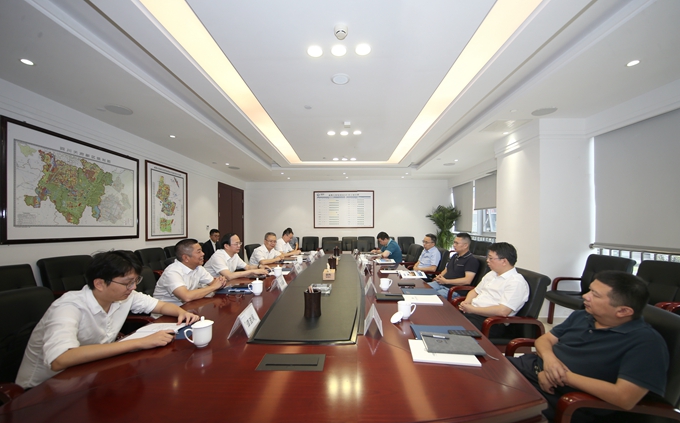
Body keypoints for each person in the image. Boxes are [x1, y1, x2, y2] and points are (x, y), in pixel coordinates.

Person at [15, 250, 200, 389]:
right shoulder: (68, 307)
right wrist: (139, 342)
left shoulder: (124, 296)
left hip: (91, 373)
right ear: (99, 283)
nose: (133, 288)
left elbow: (159, 306)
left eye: (135, 281)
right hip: (44, 389)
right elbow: (60, 359)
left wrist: (180, 312)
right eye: (127, 283)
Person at [508, 271, 669, 422]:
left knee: (496, 407)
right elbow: (544, 340)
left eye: (595, 295)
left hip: (561, 397)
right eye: (590, 290)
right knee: (491, 372)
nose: (585, 296)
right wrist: (550, 361)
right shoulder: (582, 315)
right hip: (529, 369)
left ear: (623, 311)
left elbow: (624, 397)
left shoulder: (646, 342)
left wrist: (560, 376)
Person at [458, 242, 528, 336]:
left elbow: (503, 311)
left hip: (491, 322)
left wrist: (473, 309)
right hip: (473, 313)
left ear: (504, 261)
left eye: (491, 258)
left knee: (454, 329)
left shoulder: (516, 282)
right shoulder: (492, 274)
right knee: (444, 318)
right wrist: (466, 303)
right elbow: (475, 291)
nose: (487, 260)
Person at [153, 238, 228, 305]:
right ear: (186, 258)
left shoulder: (198, 268)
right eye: (199, 252)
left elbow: (214, 283)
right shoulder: (172, 272)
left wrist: (221, 282)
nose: (203, 254)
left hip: (189, 307)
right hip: (166, 313)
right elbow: (186, 296)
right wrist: (214, 287)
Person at [204, 233, 269, 280]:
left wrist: (259, 267)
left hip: (224, 283)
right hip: (208, 288)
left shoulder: (235, 255)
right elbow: (229, 276)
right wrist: (253, 271)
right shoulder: (218, 257)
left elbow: (247, 267)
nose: (239, 246)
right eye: (236, 244)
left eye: (239, 243)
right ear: (226, 246)